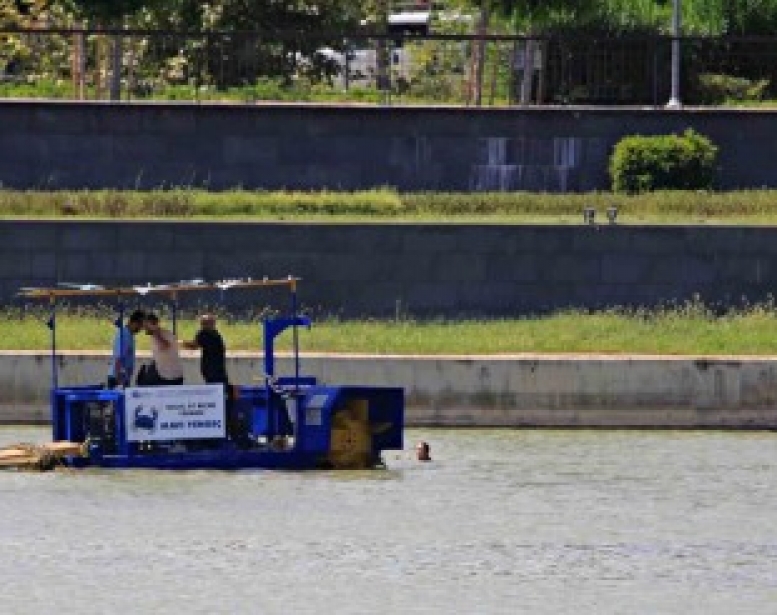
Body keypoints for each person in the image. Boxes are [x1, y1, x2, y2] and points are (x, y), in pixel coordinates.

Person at [137, 313, 184, 386]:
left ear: (151, 324)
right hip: (163, 374)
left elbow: (165, 345)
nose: (144, 328)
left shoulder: (164, 334)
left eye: (146, 325)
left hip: (170, 377)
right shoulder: (155, 336)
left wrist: (155, 331)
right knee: (141, 381)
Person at [181, 314, 229, 385]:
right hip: (215, 367)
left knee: (216, 385)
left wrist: (181, 343)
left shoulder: (204, 333)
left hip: (213, 367)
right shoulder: (213, 333)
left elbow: (194, 346)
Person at [107, 309, 145, 388]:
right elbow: (119, 357)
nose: (141, 329)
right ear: (135, 323)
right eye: (141, 326)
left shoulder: (129, 335)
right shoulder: (124, 335)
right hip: (118, 378)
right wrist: (119, 380)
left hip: (124, 377)